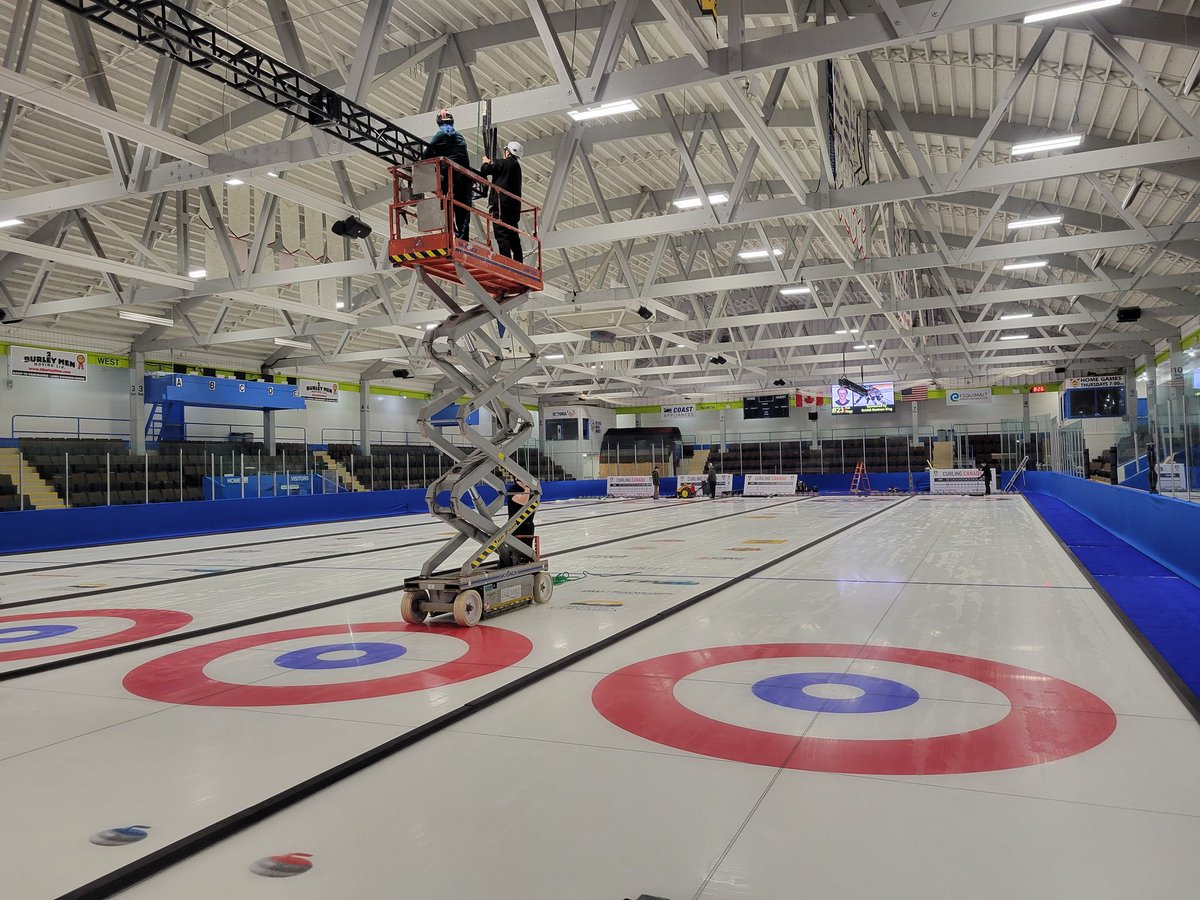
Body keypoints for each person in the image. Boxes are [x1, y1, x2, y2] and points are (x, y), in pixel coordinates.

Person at [421, 109, 472, 242]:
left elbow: (425, 156)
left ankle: (451, 234)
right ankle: (463, 239)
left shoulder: (440, 135)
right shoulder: (460, 136)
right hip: (465, 177)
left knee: (447, 204)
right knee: (463, 208)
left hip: (450, 176)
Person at [480, 141, 524, 263]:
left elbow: (486, 170)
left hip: (500, 207)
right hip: (514, 210)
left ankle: (507, 263)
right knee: (513, 237)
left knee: (501, 235)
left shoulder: (503, 163)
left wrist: (485, 162)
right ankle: (518, 263)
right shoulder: (517, 169)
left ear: (508, 152)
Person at [499, 478, 536, 567]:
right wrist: (527, 488)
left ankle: (526, 564)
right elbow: (523, 501)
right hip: (516, 525)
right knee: (516, 547)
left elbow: (534, 505)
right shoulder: (514, 489)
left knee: (527, 547)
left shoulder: (529, 491)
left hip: (528, 524)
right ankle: (512, 564)